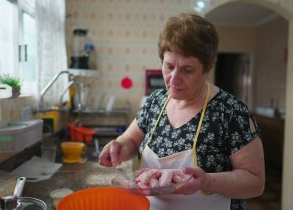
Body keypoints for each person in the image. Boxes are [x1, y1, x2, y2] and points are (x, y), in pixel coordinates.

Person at [99, 13, 265, 210]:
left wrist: (206, 182)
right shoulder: (156, 101)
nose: (174, 79)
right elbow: (132, 140)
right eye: (169, 66)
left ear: (207, 68)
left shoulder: (231, 113)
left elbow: (255, 182)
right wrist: (119, 146)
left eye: (187, 70)